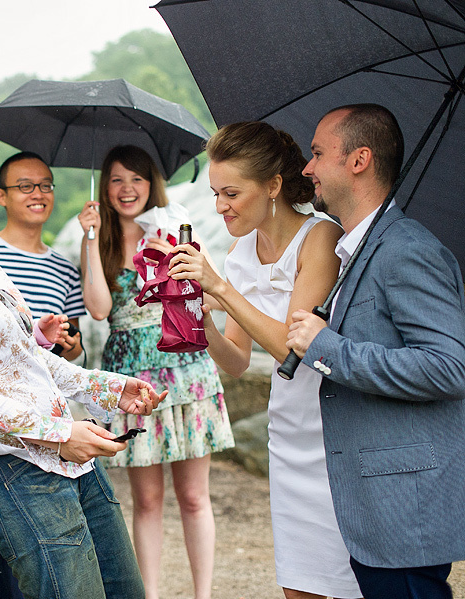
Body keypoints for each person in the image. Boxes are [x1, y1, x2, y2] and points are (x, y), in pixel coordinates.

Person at [0, 113, 165, 599]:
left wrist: (108, 387)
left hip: (71, 461)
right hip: (17, 470)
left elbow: (29, 359)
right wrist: (60, 435)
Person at [166, 122, 360, 599]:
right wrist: (197, 318)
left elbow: (295, 347)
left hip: (334, 432)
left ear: (273, 185)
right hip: (288, 430)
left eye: (231, 193)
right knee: (299, 587)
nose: (219, 206)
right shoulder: (240, 251)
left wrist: (219, 288)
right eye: (214, 193)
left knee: (348, 584)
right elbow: (236, 361)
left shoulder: (320, 238)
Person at [285, 104, 465, 599]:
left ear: (359, 159)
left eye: (319, 154)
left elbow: (449, 368)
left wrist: (329, 349)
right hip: (373, 507)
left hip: (403, 508)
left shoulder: (407, 249)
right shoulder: (359, 249)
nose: (307, 168)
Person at [77, 145, 233, 599]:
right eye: (117, 180)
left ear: (152, 185)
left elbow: (206, 296)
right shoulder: (99, 238)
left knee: (193, 496)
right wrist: (89, 239)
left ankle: (203, 595)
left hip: (187, 369)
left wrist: (170, 256)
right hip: (132, 379)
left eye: (137, 179)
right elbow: (100, 311)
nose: (127, 189)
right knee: (146, 500)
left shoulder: (173, 230)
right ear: (105, 188)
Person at [0, 152, 84, 362]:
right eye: (25, 186)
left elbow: (76, 349)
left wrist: (69, 344)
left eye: (46, 186)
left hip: (45, 388)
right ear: (1, 196)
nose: (38, 194)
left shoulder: (66, 270)